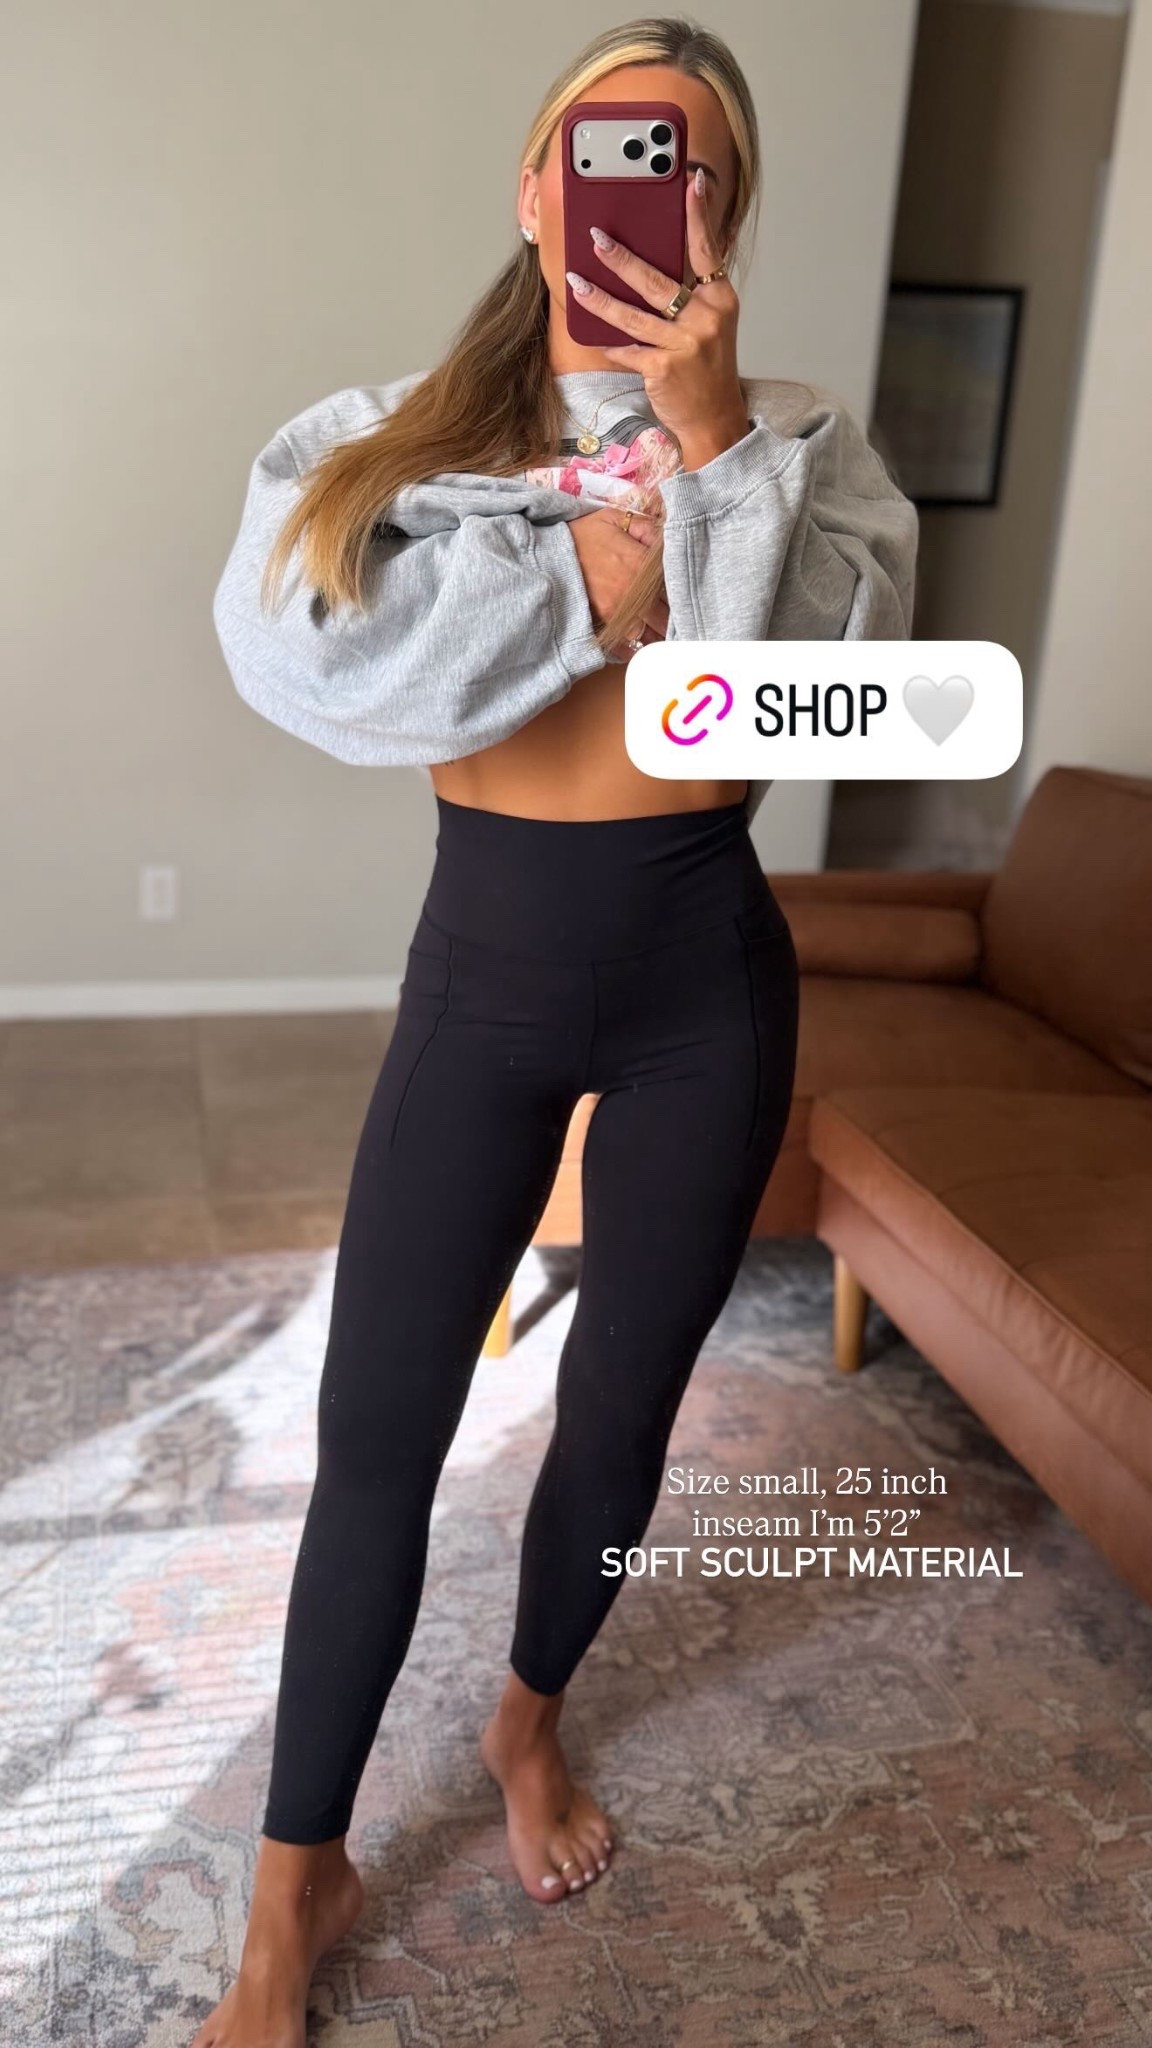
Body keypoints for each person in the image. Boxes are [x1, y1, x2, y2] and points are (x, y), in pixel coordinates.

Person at [201, 15, 917, 2044]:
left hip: (706, 978)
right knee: (375, 1436)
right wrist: (587, 577)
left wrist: (717, 460)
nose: (642, 196)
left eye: (688, 165)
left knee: (617, 1417)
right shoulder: (391, 440)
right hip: (484, 978)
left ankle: (527, 1723)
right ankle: (296, 1878)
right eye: (608, 153)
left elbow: (835, 700)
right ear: (535, 192)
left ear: (727, 213)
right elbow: (298, 650)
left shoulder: (801, 435)